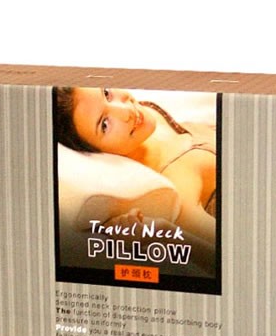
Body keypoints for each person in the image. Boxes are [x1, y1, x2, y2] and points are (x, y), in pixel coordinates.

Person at [54, 87, 217, 246]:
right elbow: (223, 250)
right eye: (104, 124)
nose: (125, 111)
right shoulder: (177, 187)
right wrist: (162, 232)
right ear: (93, 152)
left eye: (106, 93)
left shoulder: (143, 121)